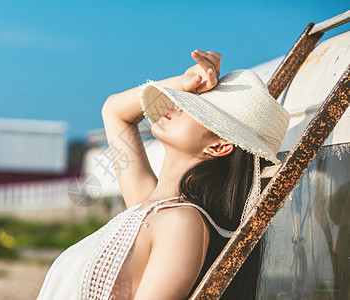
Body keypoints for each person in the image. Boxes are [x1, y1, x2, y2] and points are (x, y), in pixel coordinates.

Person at [37, 50, 290, 300]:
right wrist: (184, 82)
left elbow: (115, 111)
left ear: (218, 146)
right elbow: (114, 110)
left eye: (199, 107)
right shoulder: (149, 205)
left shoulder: (181, 222)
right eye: (187, 98)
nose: (177, 103)